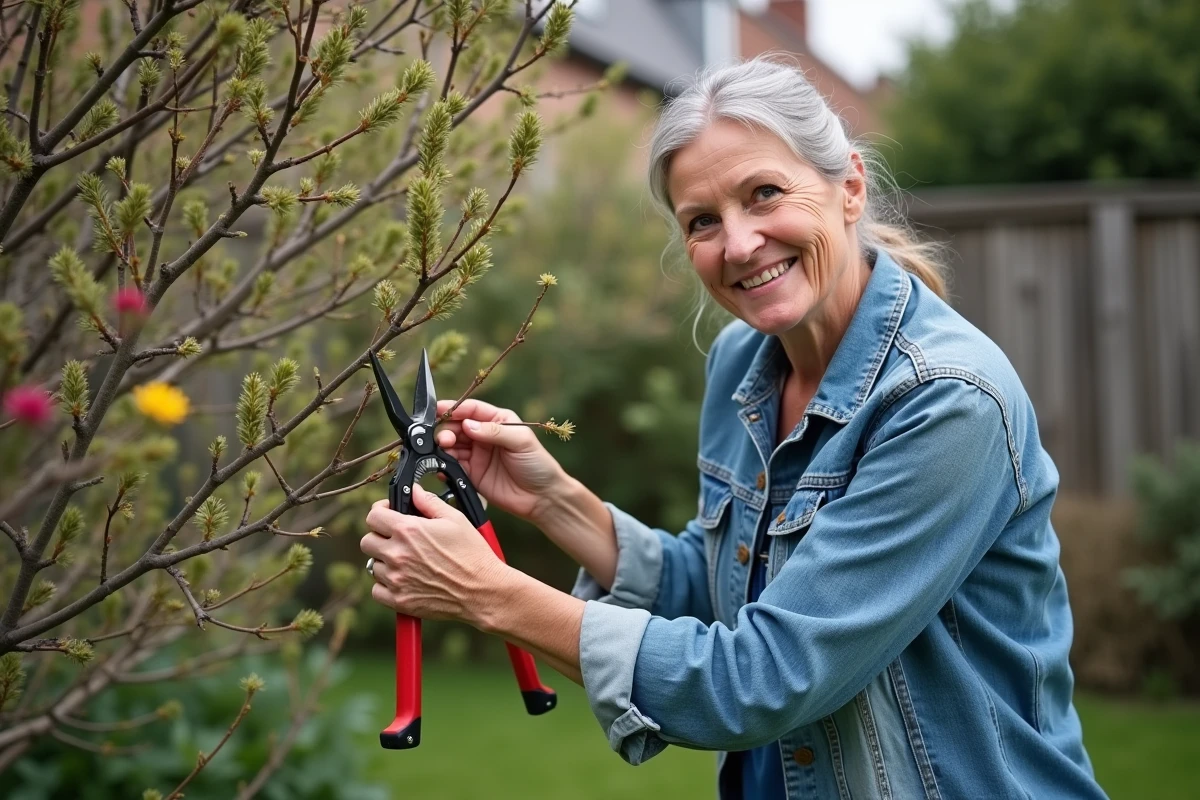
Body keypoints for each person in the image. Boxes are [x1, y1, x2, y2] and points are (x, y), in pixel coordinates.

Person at [359, 56, 1108, 800]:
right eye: (703, 222)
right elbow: (731, 589)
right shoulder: (743, 363)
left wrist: (489, 592)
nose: (740, 244)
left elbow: (763, 678)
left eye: (765, 194)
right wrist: (555, 501)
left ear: (849, 186)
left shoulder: (946, 403)